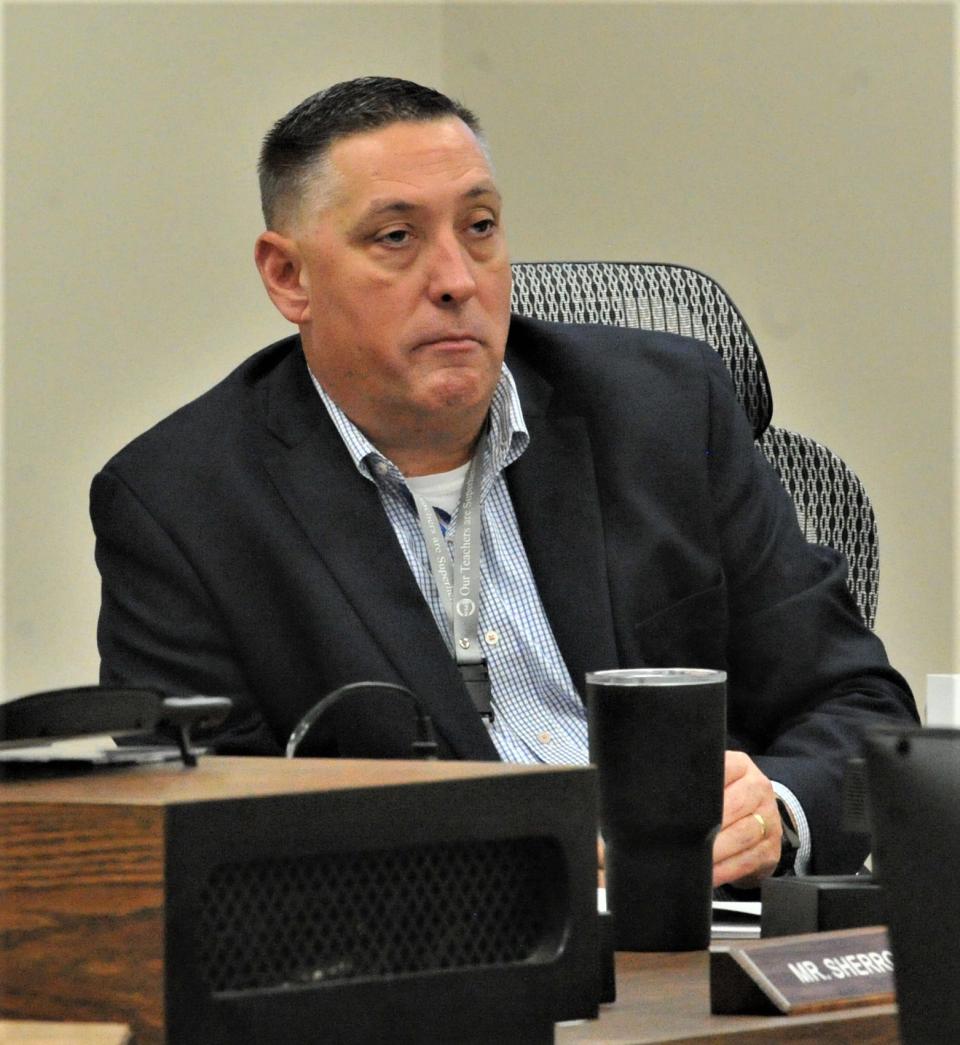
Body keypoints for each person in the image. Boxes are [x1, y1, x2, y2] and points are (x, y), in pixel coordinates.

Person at [90, 76, 917, 889]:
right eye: (395, 238)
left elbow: (860, 705)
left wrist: (776, 810)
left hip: (699, 932)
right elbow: (200, 832)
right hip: (431, 971)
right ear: (288, 278)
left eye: (479, 227)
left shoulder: (666, 415)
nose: (457, 278)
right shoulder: (180, 505)